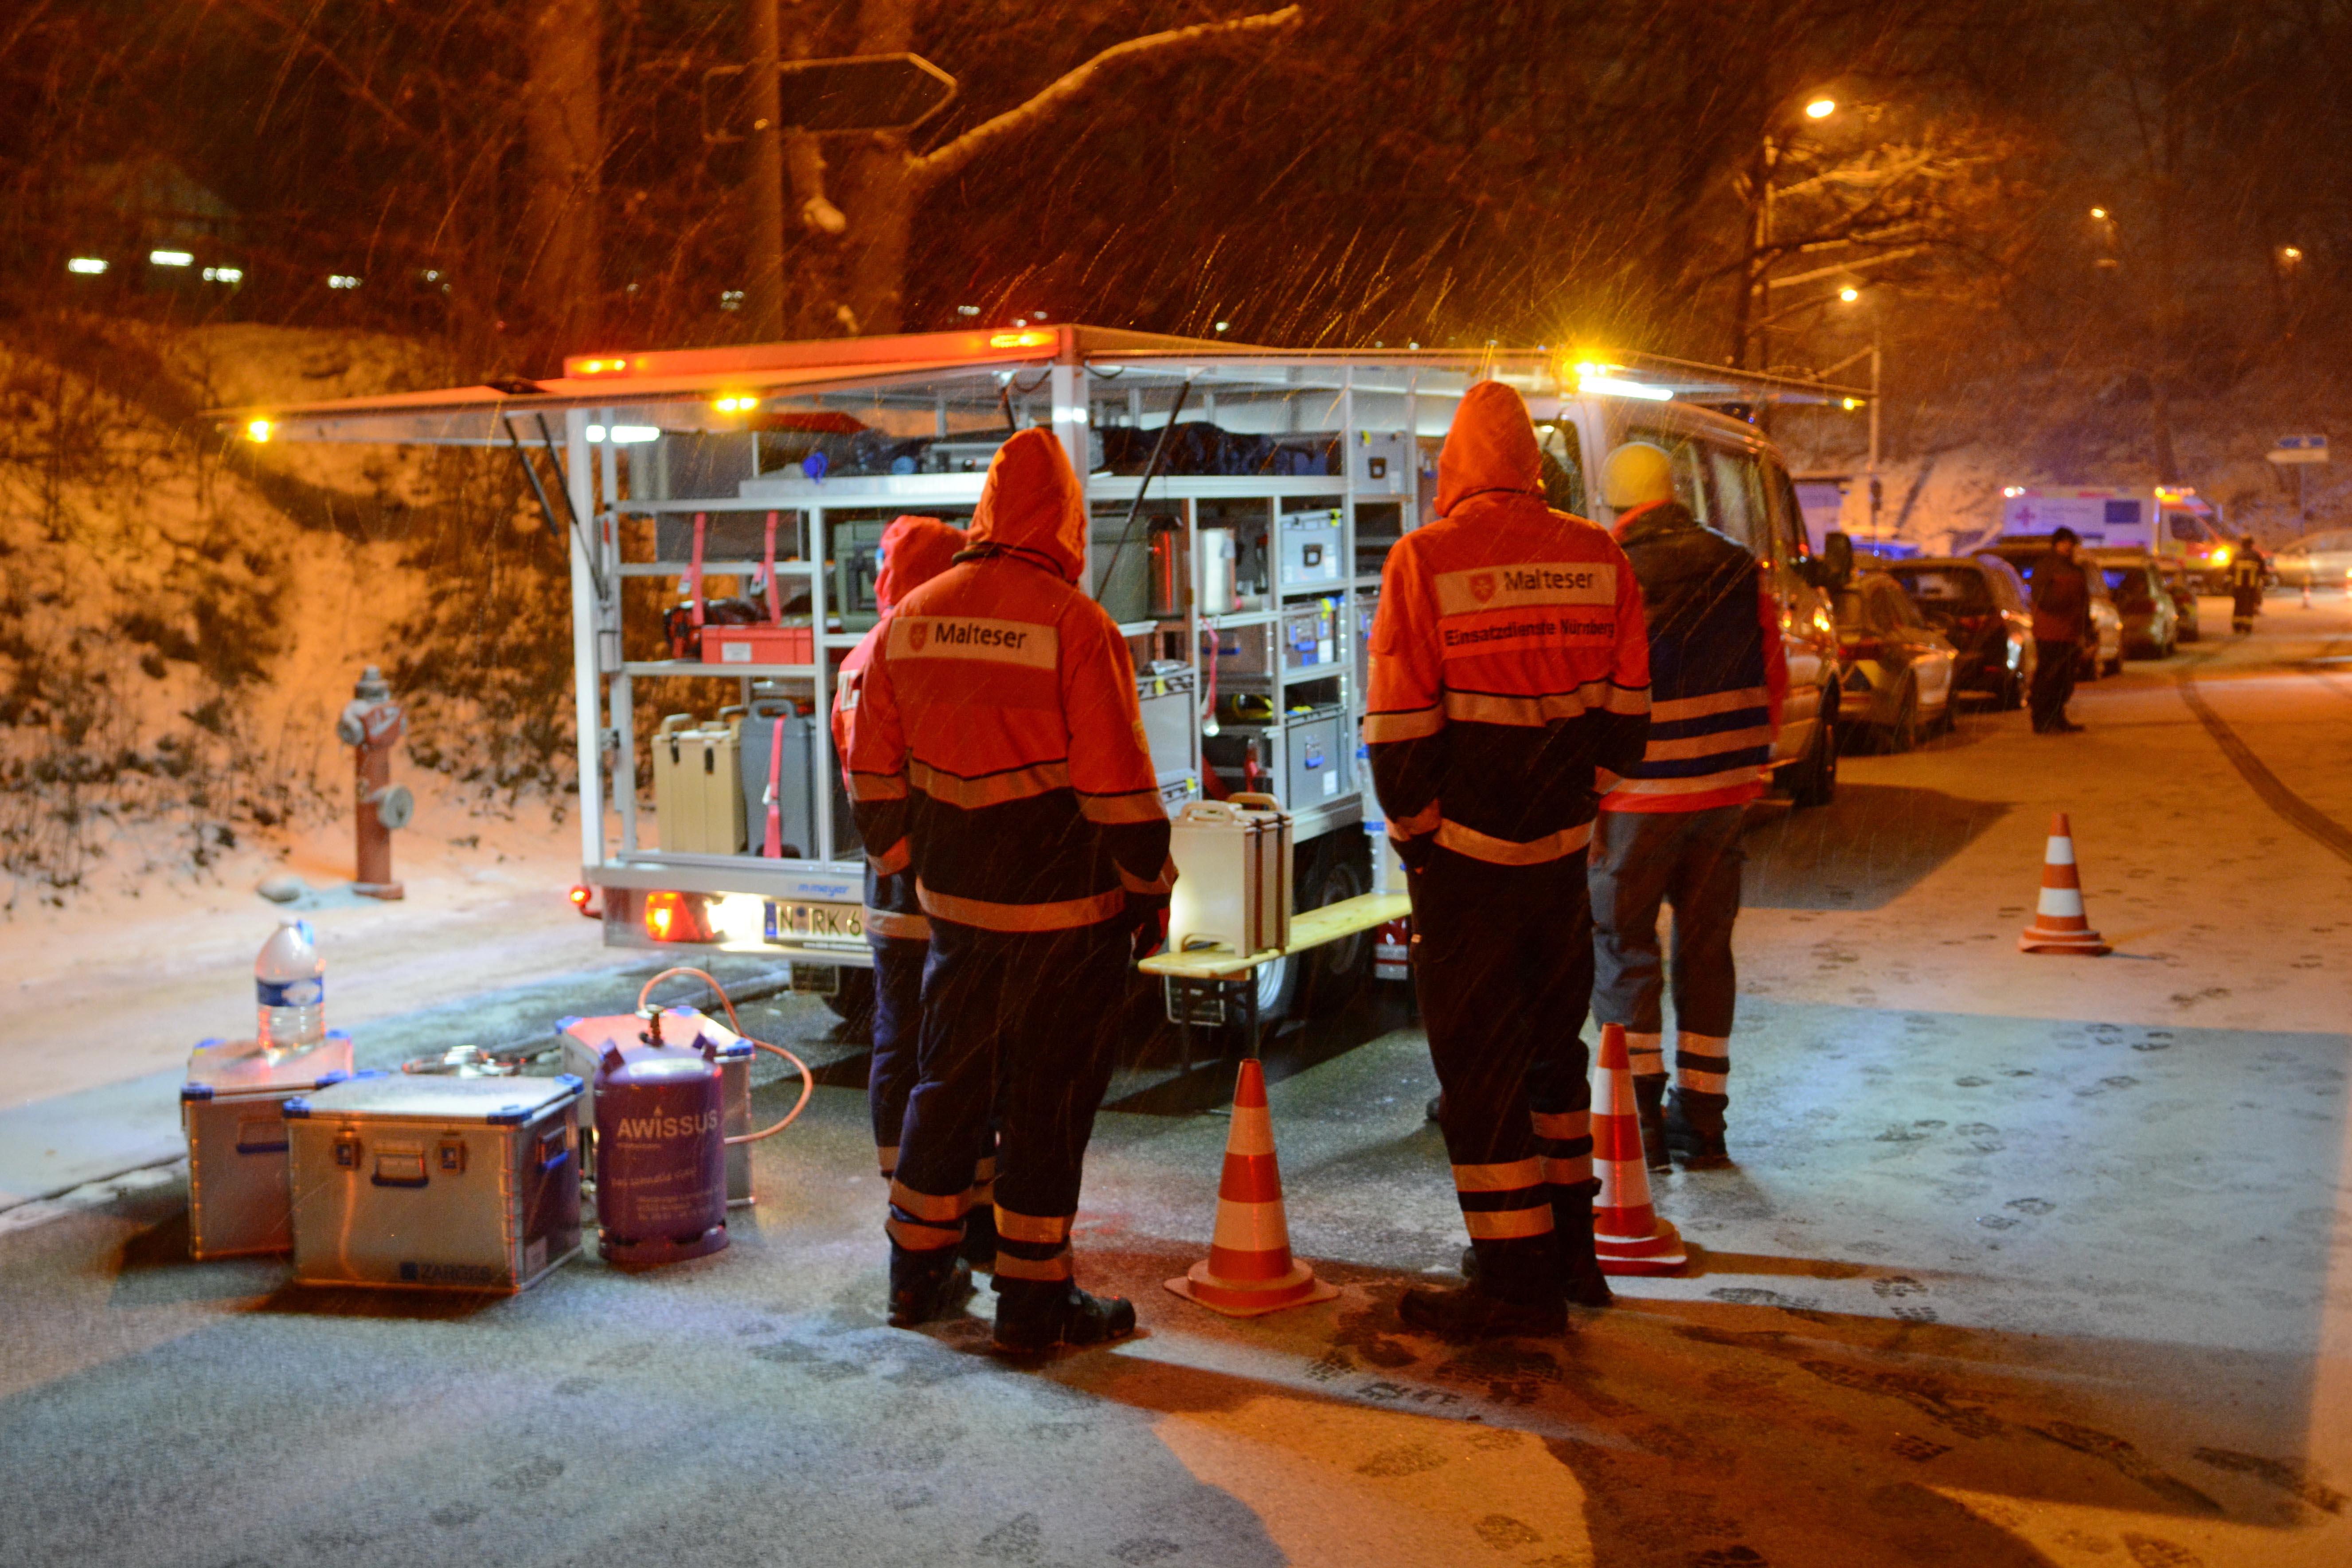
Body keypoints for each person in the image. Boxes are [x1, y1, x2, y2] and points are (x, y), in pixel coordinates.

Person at [844, 428, 1174, 1356]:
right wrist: (1150, 890)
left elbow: (871, 775)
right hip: (1064, 918)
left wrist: (914, 856)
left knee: (944, 1083)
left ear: (986, 511)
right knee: (1045, 1102)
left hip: (954, 914)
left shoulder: (911, 619)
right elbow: (1119, 790)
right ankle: (1033, 1305)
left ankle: (915, 1278)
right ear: (1068, 517)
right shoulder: (1077, 626)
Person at [1365, 380, 1650, 1340]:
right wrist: (1579, 798)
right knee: (1550, 1053)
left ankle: (1512, 1280)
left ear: (1451, 467)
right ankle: (1574, 1254)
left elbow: (1398, 725)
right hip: (1559, 854)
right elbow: (1626, 720)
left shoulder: (1425, 558)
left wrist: (1420, 835)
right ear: (1532, 461)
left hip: (1469, 858)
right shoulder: (1597, 553)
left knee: (1477, 1069)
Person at [1586, 442, 1785, 1173]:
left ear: (1613, 500)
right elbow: (1772, 666)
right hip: (1724, 791)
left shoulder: (1613, 565)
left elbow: (1598, 681)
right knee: (1706, 951)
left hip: (1640, 793)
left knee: (1623, 949)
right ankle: (1701, 1123)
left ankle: (1635, 1118)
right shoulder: (1737, 564)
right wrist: (1747, 759)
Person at [831, 516, 987, 1256]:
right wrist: (911, 866)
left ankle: (918, 1198)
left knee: (907, 1043)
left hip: (901, 889)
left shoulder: (870, 652)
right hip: (934, 892)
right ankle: (944, 1207)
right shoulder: (927, 650)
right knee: (952, 1050)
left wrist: (896, 866)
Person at [2028, 527, 2089, 734]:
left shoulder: (2076, 570)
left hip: (2070, 633)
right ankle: (2042, 720)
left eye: (2070, 542)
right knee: (2049, 677)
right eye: (2063, 542)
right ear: (2055, 544)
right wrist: (2067, 604)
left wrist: (2086, 630)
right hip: (2050, 633)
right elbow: (2042, 598)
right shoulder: (2047, 567)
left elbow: (2084, 603)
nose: (2067, 546)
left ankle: (2058, 717)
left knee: (2065, 680)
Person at [2229, 535, 2267, 635]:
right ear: (2251, 544)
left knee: (2238, 605)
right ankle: (2247, 627)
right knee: (2249, 606)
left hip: (2238, 586)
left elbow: (2230, 571)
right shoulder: (2256, 556)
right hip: (2251, 586)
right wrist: (2266, 582)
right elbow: (2263, 571)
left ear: (2242, 544)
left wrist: (2227, 584)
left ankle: (2237, 626)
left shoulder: (2237, 555)